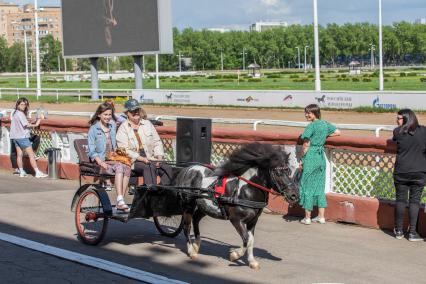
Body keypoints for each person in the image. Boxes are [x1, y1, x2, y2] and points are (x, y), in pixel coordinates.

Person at [299, 104, 340, 225]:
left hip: (311, 155)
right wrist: (325, 135)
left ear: (315, 113)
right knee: (319, 186)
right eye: (306, 112)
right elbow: (338, 132)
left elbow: (306, 144)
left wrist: (302, 160)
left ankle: (307, 218)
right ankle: (321, 217)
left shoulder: (311, 126)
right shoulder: (324, 124)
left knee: (307, 185)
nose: (306, 115)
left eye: (309, 113)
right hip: (320, 157)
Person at [116, 99, 172, 186]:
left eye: (137, 110)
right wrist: (142, 159)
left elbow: (157, 142)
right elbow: (124, 150)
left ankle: (161, 190)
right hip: (134, 161)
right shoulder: (123, 128)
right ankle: (150, 193)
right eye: (133, 111)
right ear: (127, 113)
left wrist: (159, 158)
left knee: (168, 168)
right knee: (148, 167)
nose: (136, 113)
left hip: (151, 157)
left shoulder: (148, 124)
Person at [88, 102, 131, 212]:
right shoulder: (93, 129)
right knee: (120, 167)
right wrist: (101, 162)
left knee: (127, 167)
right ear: (99, 115)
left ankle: (120, 200)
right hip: (100, 161)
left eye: (109, 115)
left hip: (112, 158)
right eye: (105, 114)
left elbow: (115, 146)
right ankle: (120, 200)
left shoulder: (112, 126)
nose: (107, 117)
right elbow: (92, 151)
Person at [392, 109, 426, 241]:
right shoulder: (424, 131)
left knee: (400, 200)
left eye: (399, 118)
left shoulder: (397, 132)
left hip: (402, 171)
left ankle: (399, 231)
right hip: (419, 171)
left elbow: (395, 140)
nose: (397, 120)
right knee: (414, 201)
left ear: (406, 119)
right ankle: (412, 233)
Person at [10, 97, 47, 178]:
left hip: (15, 137)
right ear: (18, 105)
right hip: (22, 137)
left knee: (19, 155)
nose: (24, 106)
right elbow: (26, 125)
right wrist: (36, 124)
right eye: (22, 104)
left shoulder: (15, 113)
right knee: (31, 155)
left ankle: (21, 172)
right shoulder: (20, 113)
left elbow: (23, 122)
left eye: (25, 105)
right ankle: (37, 172)